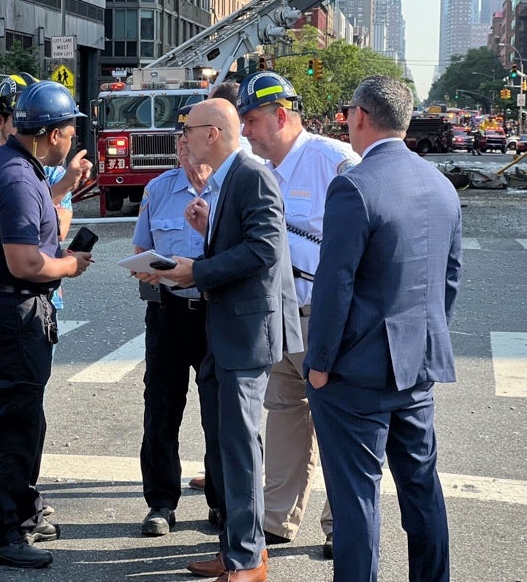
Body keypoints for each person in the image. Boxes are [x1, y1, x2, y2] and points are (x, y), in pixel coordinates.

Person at [304, 75, 462, 582]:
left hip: (356, 373)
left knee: (357, 502)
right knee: (421, 489)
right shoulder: (440, 184)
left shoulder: (353, 185)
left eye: (349, 112)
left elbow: (335, 284)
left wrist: (320, 365)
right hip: (417, 365)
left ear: (361, 117)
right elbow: (449, 277)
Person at [142, 98, 302, 582]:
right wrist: (207, 232)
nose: (182, 138)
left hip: (244, 332)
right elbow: (247, 241)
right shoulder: (231, 178)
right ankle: (238, 549)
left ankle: (248, 559)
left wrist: (199, 269)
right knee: (232, 448)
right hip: (228, 328)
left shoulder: (249, 174)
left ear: (212, 133)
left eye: (188, 129)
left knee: (239, 448)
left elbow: (266, 247)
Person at [0, 73, 90, 527]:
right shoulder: (15, 176)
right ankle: (1, 530)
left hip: (6, 307)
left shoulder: (10, 168)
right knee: (11, 421)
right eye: (70, 133)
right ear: (52, 134)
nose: (72, 141)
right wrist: (70, 265)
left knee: (18, 417)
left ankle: (13, 508)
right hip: (13, 309)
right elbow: (25, 262)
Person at [237, 70, 360, 557]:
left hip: (326, 318)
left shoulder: (336, 162)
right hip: (275, 315)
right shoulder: (253, 167)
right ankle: (276, 519)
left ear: (280, 116)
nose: (244, 130)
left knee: (336, 421)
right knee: (285, 414)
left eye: (250, 119)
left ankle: (343, 525)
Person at [131, 104, 215, 537]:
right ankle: (161, 502)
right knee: (161, 410)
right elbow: (141, 247)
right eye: (179, 141)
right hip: (166, 313)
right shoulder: (158, 189)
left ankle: (221, 499)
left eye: (191, 138)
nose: (185, 147)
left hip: (217, 316)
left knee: (220, 413)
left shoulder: (231, 188)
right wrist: (146, 269)